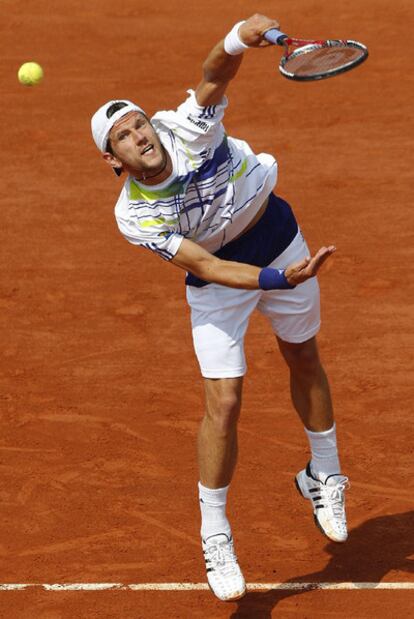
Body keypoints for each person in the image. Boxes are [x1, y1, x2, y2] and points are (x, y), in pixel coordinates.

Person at [91, 14, 349, 602]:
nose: (140, 136)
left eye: (140, 124)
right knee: (224, 399)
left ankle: (325, 473)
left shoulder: (185, 129)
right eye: (124, 137)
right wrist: (275, 279)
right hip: (226, 280)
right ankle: (216, 532)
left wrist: (237, 37)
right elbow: (206, 269)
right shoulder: (134, 214)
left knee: (302, 354)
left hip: (277, 232)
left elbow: (212, 77)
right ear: (114, 160)